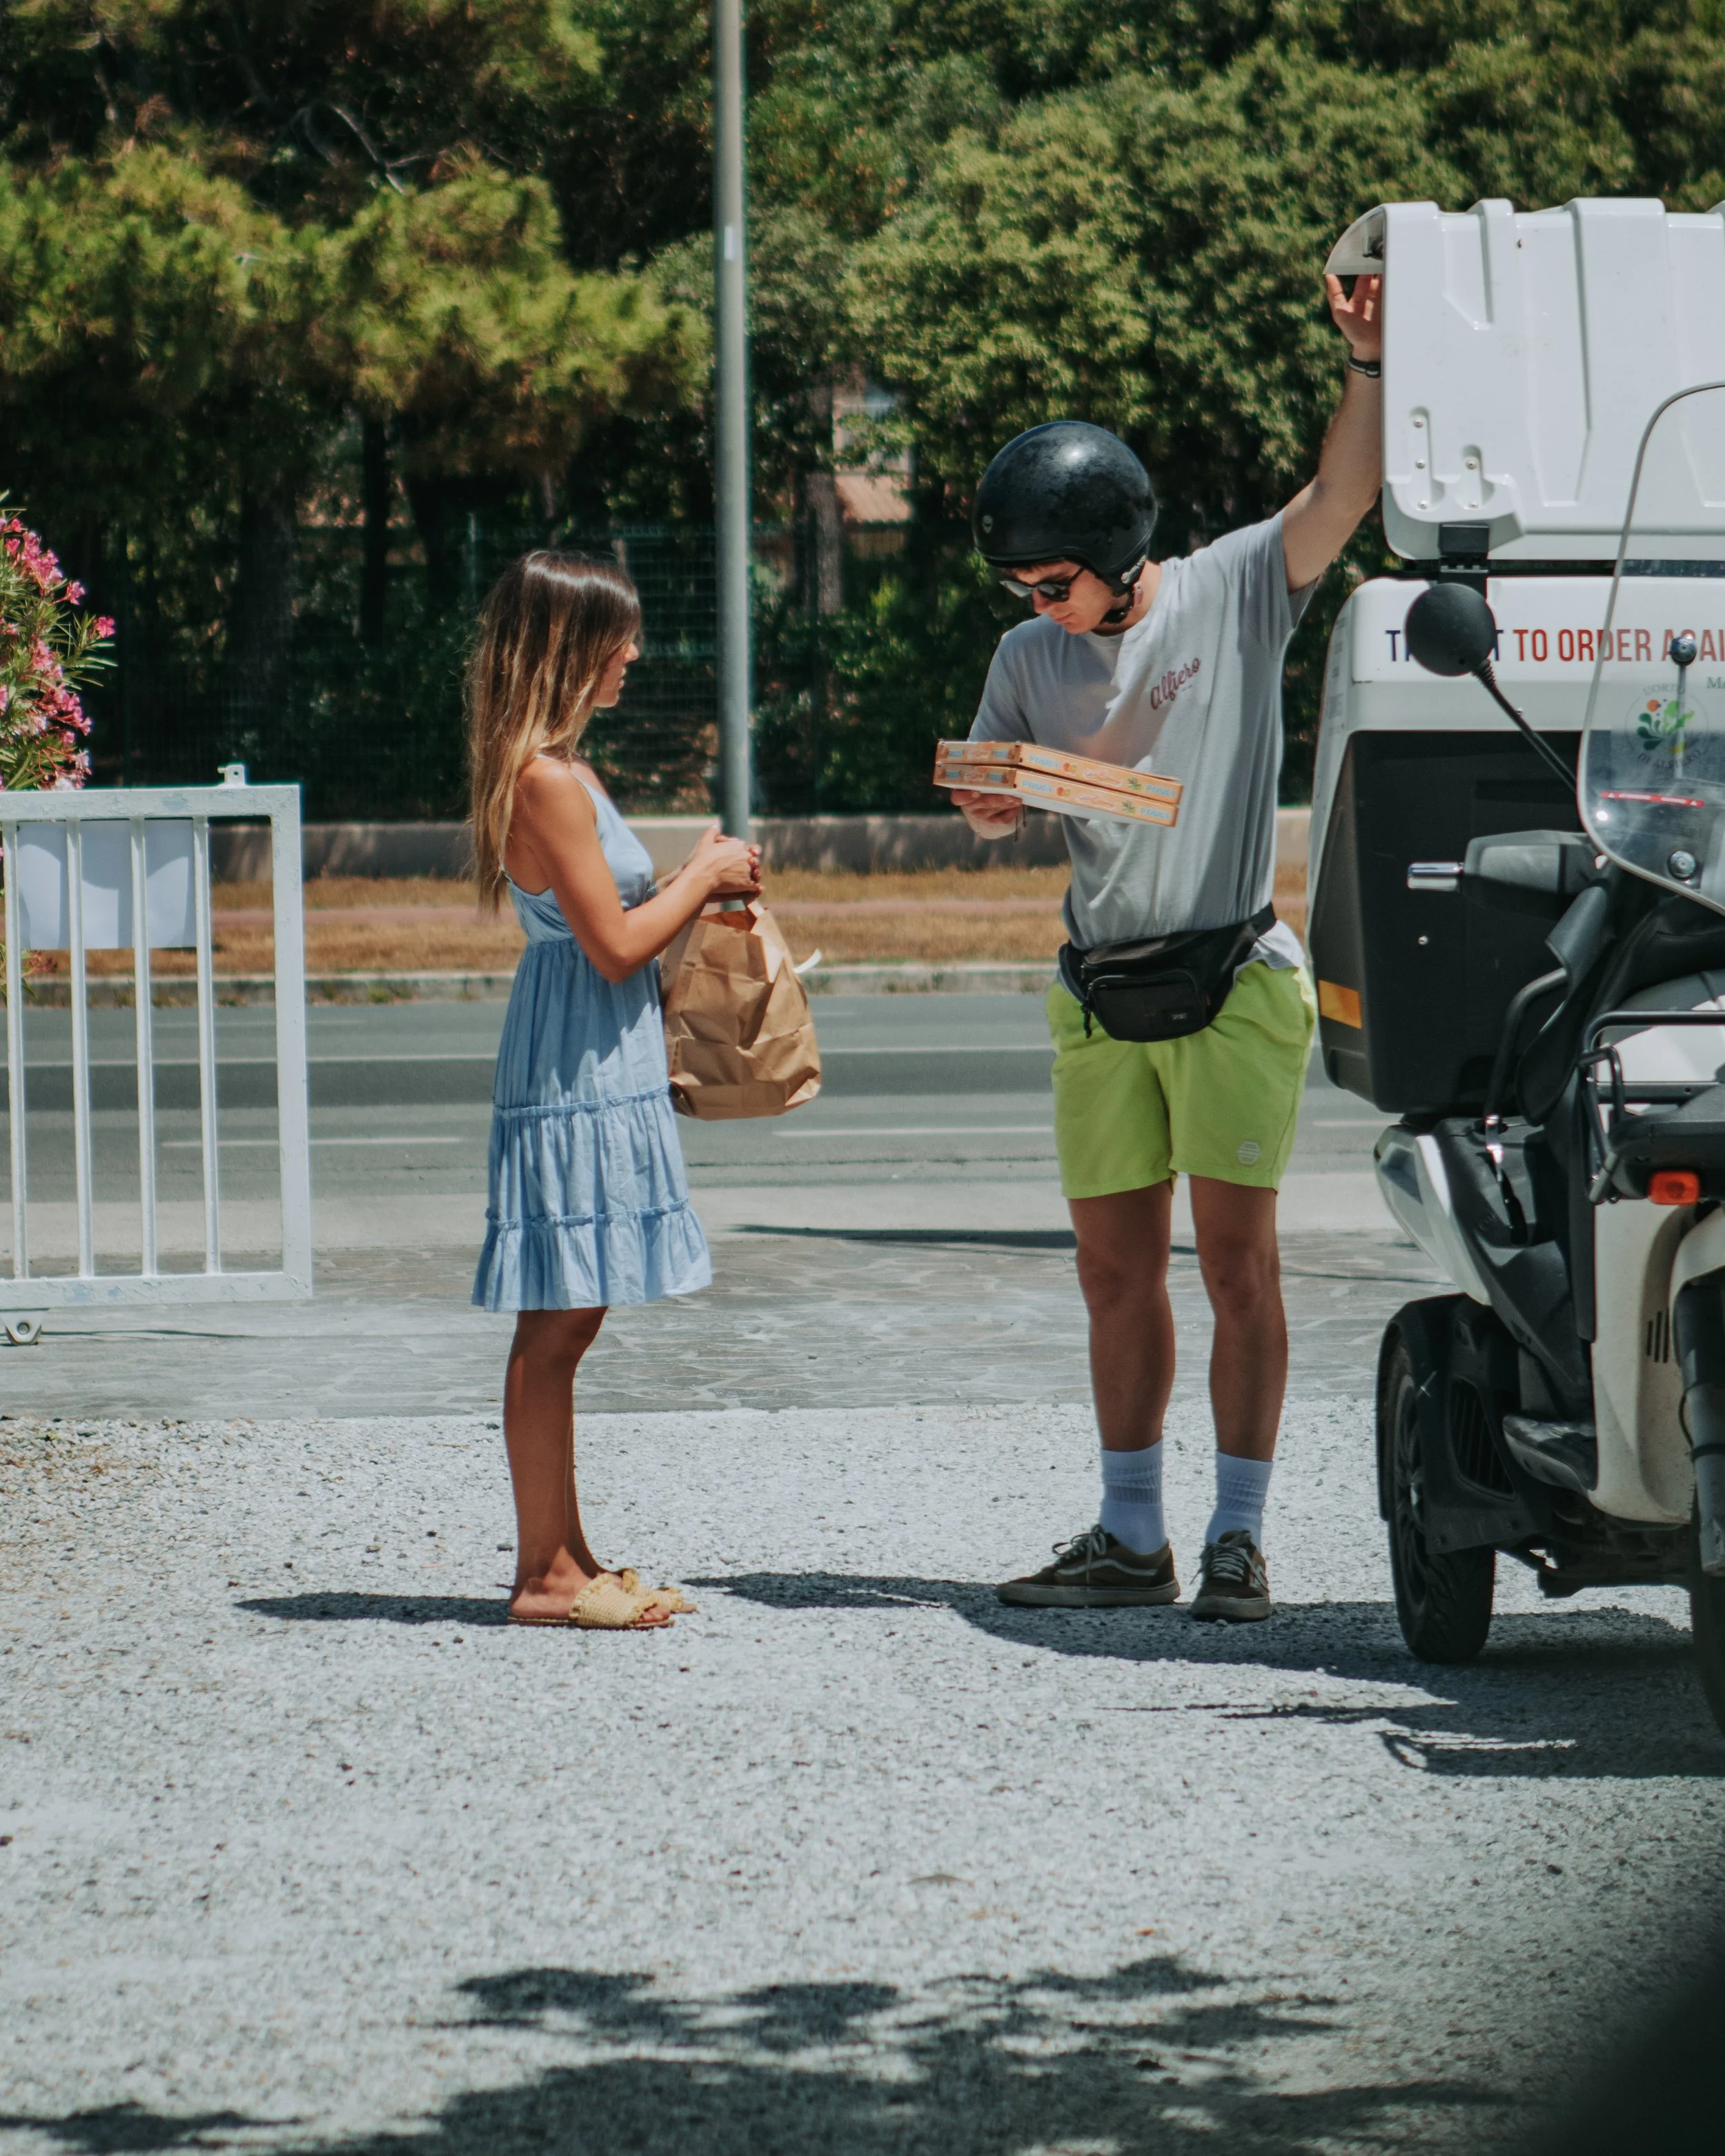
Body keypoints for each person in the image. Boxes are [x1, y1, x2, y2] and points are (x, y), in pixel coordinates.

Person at [957, 270, 1383, 1623]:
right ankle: (1128, 1531)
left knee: (1234, 1264)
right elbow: (997, 799)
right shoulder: (1028, 651)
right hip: (1099, 989)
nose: (1034, 598)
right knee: (1109, 1267)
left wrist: (1365, 357)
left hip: (1229, 977)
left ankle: (1237, 1536)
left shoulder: (1232, 590)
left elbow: (1340, 498)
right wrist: (988, 794)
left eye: (1050, 575)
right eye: (1021, 581)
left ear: (1114, 545)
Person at [468, 551, 761, 1630]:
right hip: (573, 1059)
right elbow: (614, 945)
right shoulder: (545, 779)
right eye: (617, 637)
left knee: (571, 1316)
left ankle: (569, 1553)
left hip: (596, 1055)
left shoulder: (565, 770)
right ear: (564, 647)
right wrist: (705, 874)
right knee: (556, 1320)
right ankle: (544, 1575)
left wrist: (695, 873)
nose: (635, 653)